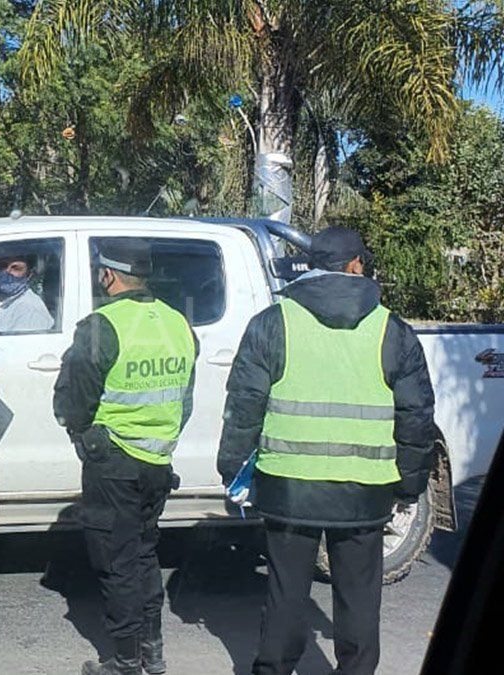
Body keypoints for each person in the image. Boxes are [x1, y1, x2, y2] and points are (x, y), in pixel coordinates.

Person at [217, 226, 436, 675]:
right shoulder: (391, 330)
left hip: (289, 487)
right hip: (365, 491)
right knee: (358, 598)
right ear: (358, 265)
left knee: (285, 593)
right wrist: (410, 485)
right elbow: (415, 416)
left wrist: (232, 469)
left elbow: (243, 405)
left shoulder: (274, 322)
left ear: (312, 266)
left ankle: (273, 668)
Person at [53, 238, 198, 675]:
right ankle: (151, 652)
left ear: (108, 275)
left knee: (116, 563)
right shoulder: (178, 323)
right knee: (143, 555)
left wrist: (83, 435)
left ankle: (124, 660)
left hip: (113, 462)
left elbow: (72, 403)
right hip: (158, 463)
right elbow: (184, 401)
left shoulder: (101, 327)